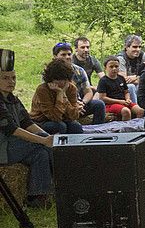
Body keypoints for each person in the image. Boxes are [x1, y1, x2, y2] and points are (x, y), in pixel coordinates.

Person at [0, 69, 54, 208]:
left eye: (13, 78)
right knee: (42, 145)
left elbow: (27, 123)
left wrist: (49, 138)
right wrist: (43, 140)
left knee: (40, 154)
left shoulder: (13, 99)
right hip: (3, 149)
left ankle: (37, 196)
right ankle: (64, 186)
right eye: (5, 78)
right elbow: (12, 130)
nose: (11, 82)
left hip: (12, 145)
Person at [53, 42, 105, 125]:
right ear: (55, 57)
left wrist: (82, 103)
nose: (67, 57)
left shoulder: (79, 71)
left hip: (79, 104)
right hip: (59, 106)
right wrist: (72, 107)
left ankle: (97, 130)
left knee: (99, 104)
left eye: (69, 54)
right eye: (63, 55)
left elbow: (88, 92)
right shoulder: (51, 72)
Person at [31, 58, 83, 135]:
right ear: (51, 79)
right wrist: (59, 94)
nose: (61, 83)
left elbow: (74, 115)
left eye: (64, 79)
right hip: (41, 120)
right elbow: (55, 117)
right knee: (60, 126)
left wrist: (63, 95)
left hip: (64, 119)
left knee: (76, 126)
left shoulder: (71, 88)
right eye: (58, 79)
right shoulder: (43, 89)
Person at [96, 56, 143, 121]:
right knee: (126, 111)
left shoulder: (121, 78)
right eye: (111, 67)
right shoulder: (103, 81)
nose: (114, 69)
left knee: (140, 111)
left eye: (116, 66)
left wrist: (128, 99)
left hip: (124, 102)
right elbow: (102, 98)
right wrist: (120, 101)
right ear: (105, 68)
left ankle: (137, 128)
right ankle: (125, 129)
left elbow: (126, 92)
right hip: (110, 105)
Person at [117, 34, 145, 104]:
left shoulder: (142, 55)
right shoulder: (121, 58)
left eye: (139, 47)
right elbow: (124, 80)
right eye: (134, 47)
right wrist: (139, 78)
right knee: (131, 87)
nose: (138, 49)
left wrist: (135, 77)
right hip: (123, 89)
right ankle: (136, 110)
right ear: (126, 47)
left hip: (138, 84)